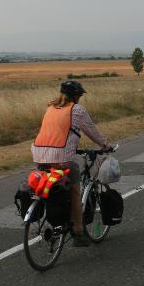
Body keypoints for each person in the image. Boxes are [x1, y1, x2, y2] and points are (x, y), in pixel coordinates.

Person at [31, 80, 111, 247]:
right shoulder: (77, 110)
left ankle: (55, 217)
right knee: (75, 192)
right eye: (79, 95)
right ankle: (79, 233)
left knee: (54, 187)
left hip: (39, 156)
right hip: (63, 158)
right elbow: (91, 130)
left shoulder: (50, 108)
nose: (80, 98)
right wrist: (105, 145)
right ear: (75, 95)